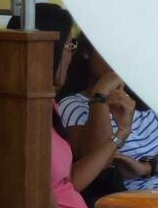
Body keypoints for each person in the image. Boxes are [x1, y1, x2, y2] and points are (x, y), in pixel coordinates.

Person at [8, 4, 158, 208]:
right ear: (48, 49)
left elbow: (70, 183)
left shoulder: (48, 106)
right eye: (70, 45)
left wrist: (121, 133)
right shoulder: (25, 113)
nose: (71, 54)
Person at [58, 32, 158, 197]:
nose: (118, 58)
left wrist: (147, 167)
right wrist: (100, 96)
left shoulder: (142, 94)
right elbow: (94, 163)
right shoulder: (73, 104)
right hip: (140, 199)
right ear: (86, 51)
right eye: (109, 49)